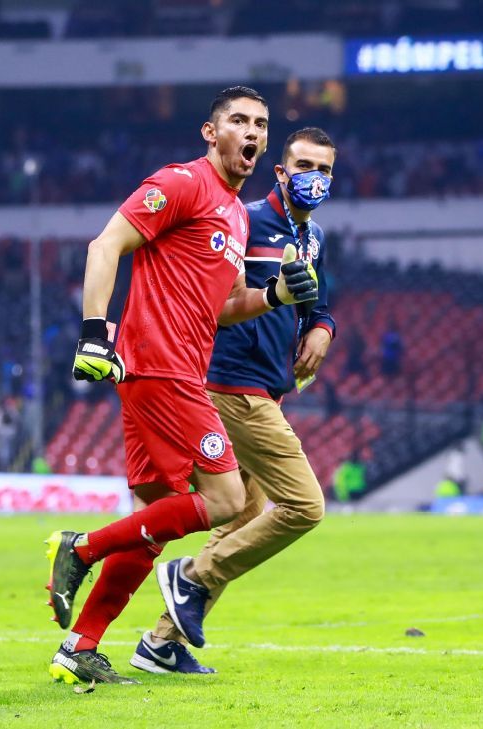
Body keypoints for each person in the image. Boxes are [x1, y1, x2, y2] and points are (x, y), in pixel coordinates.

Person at [44, 87, 317, 686]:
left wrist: (276, 296)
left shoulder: (237, 215)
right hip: (161, 369)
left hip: (172, 372)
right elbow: (106, 243)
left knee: (152, 519)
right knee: (227, 503)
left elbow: (221, 307)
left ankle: (81, 646)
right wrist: (95, 333)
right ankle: (82, 548)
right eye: (239, 121)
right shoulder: (183, 182)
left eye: (260, 124)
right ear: (210, 132)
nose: (251, 131)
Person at [136, 126, 338, 675]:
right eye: (303, 165)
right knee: (304, 507)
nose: (312, 178)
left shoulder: (313, 237)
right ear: (281, 170)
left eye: (323, 170)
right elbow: (213, 298)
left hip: (266, 386)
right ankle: (190, 577)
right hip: (232, 383)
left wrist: (323, 328)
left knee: (241, 518)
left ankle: (160, 644)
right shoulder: (243, 220)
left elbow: (318, 301)